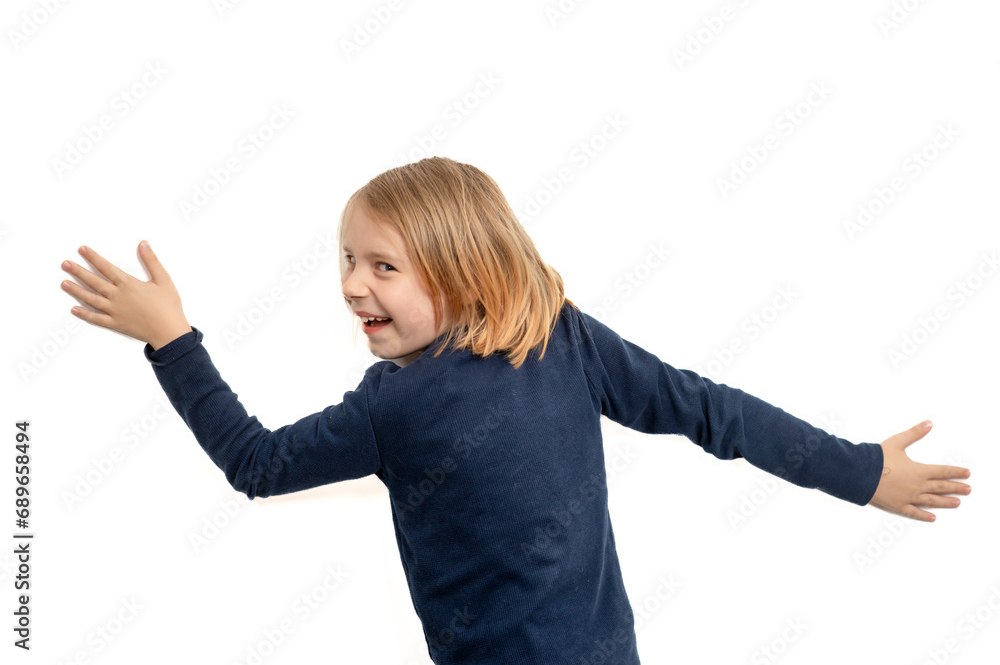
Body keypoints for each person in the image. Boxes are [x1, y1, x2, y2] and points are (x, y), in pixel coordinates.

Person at [59, 156, 971, 663]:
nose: (349, 285)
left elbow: (711, 411)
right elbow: (712, 412)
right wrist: (862, 472)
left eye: (382, 265)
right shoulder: (562, 340)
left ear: (461, 268)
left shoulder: (424, 394)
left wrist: (172, 339)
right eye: (345, 259)